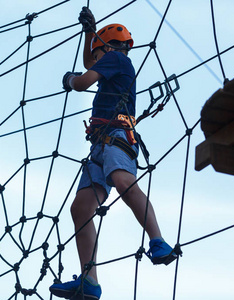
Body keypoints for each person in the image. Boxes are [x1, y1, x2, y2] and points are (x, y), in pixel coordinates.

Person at [49, 7, 178, 300]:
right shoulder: (114, 61)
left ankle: (157, 240)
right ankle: (89, 281)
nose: (94, 61)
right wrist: (88, 33)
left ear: (107, 48)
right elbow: (90, 61)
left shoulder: (116, 58)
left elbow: (82, 80)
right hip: (100, 144)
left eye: (98, 53)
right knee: (81, 208)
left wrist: (70, 79)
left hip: (118, 137)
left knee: (122, 182)